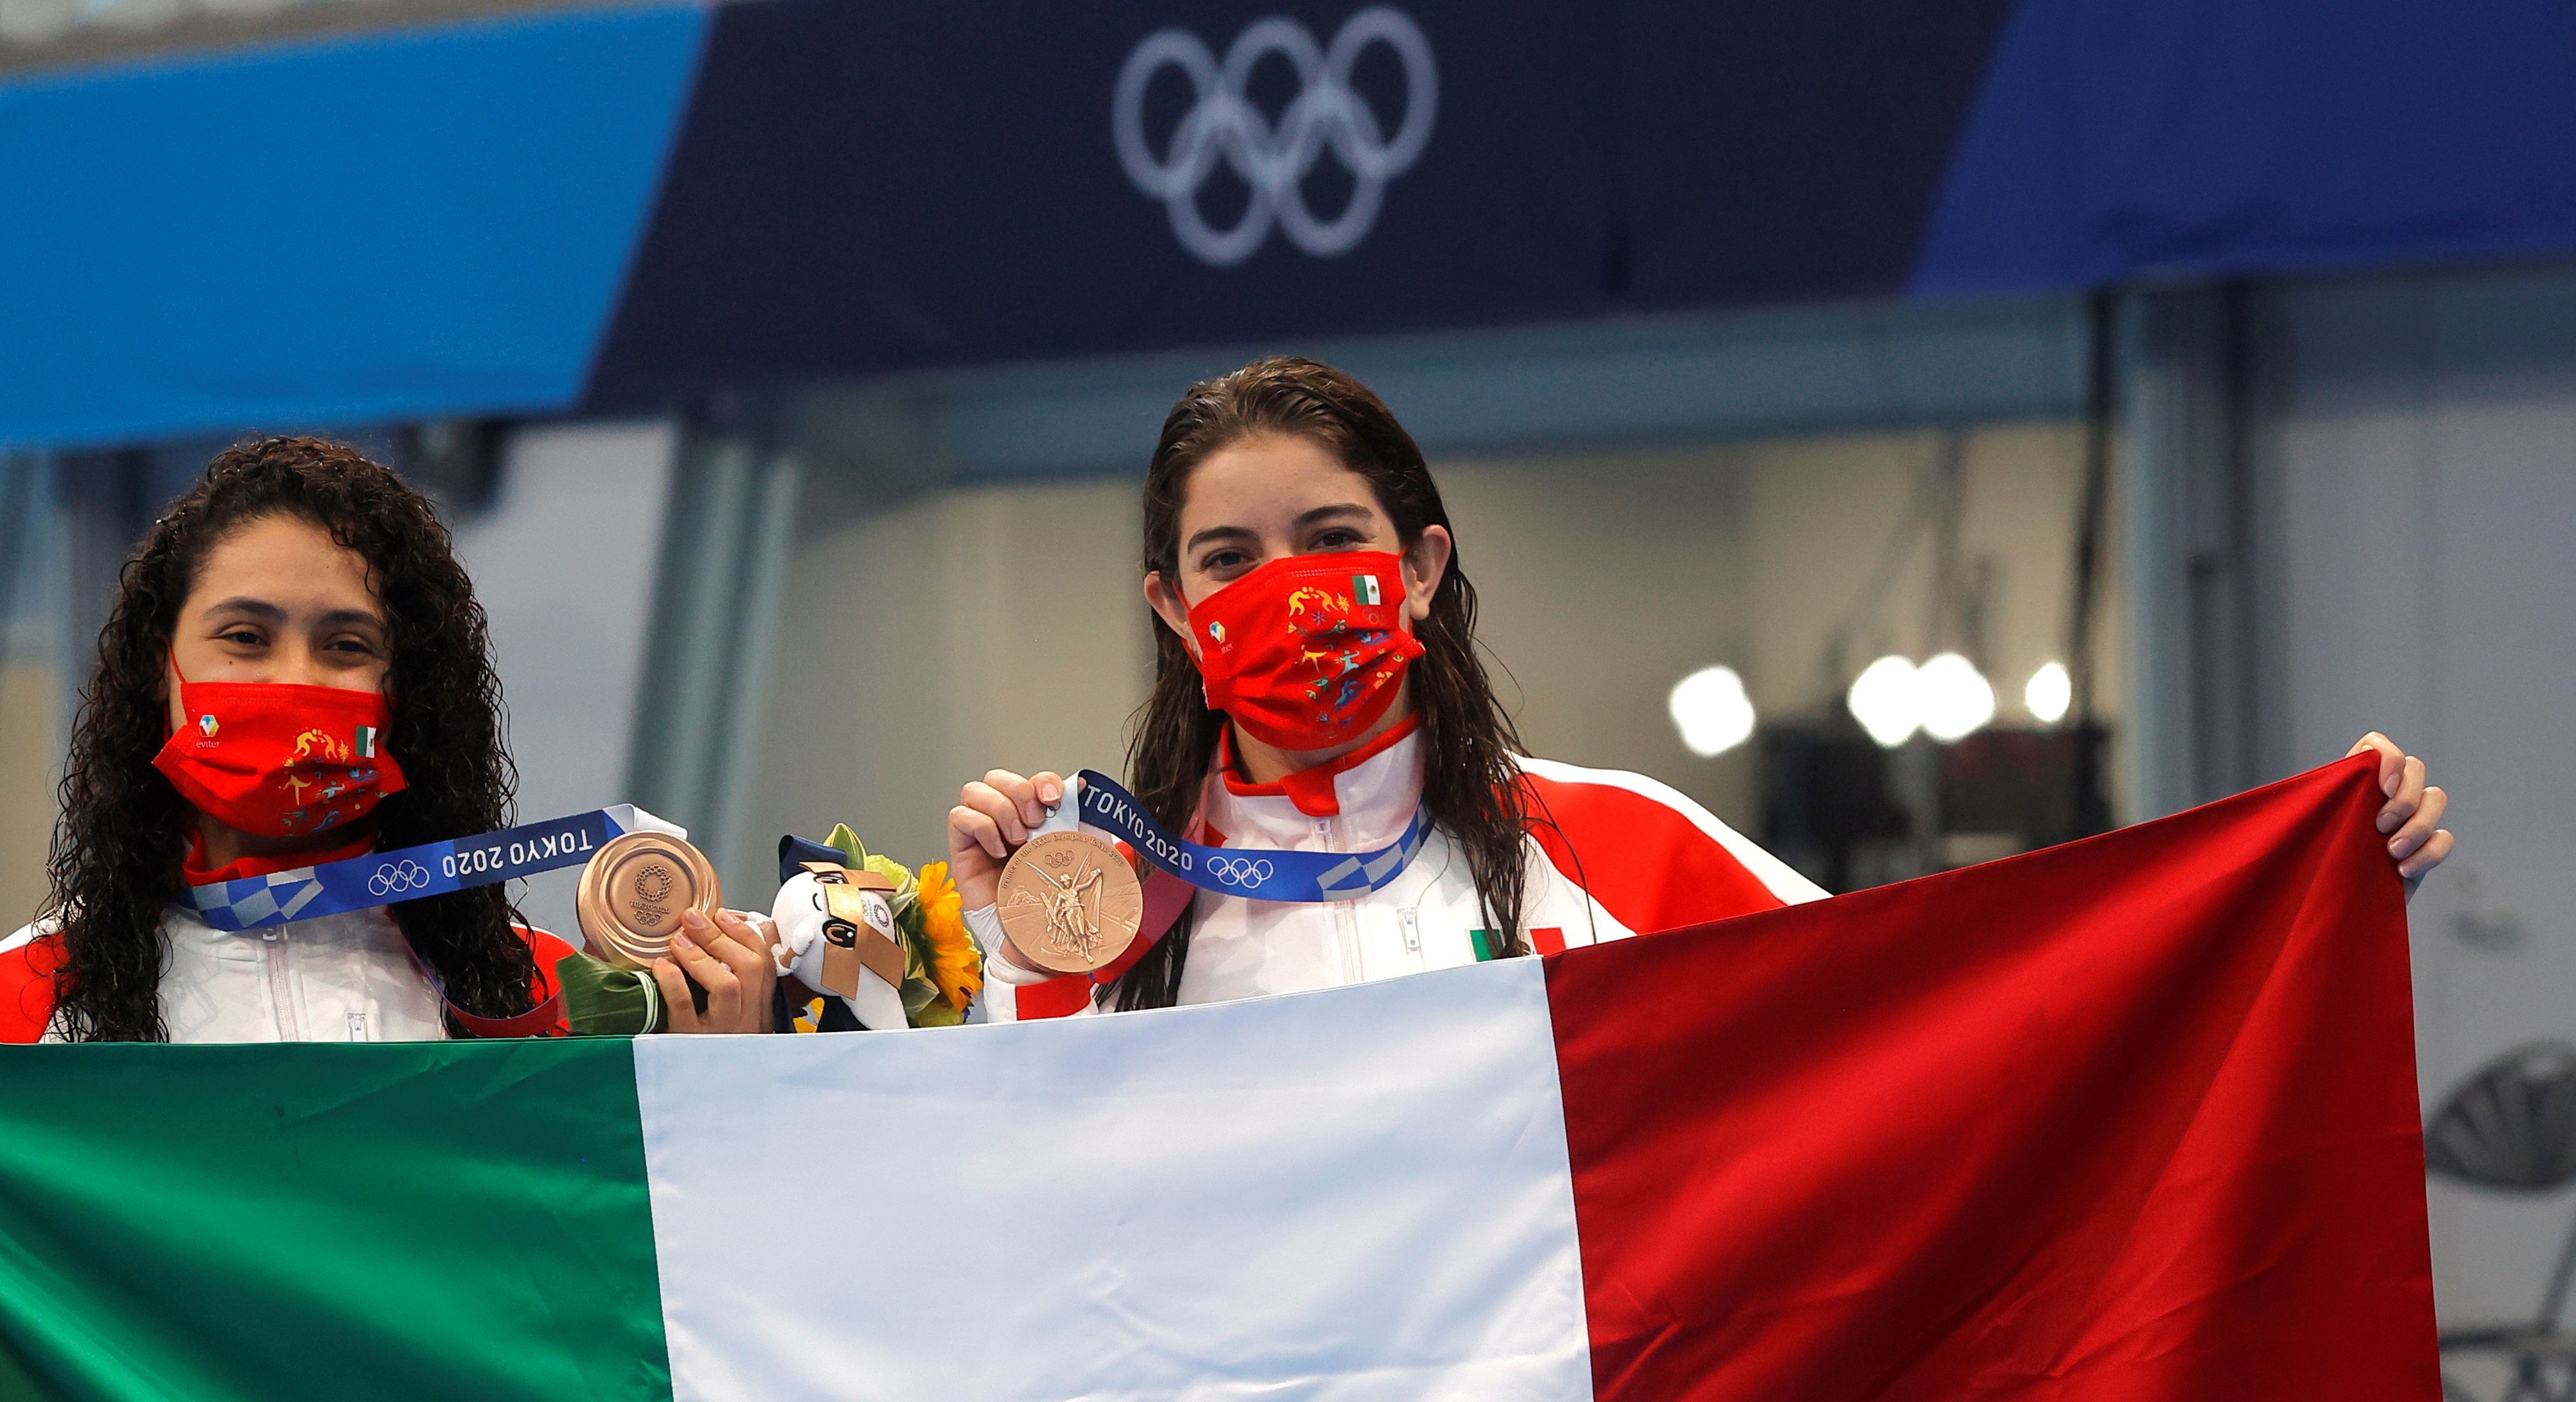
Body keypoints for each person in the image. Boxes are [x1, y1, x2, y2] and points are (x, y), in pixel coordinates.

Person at [948, 356, 2453, 1018]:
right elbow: (1010, 1203)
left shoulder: (1624, 847)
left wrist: (2288, 885)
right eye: (1229, 559)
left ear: (1416, 568)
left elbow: (1959, 1000)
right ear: (1172, 607)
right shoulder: (1102, 906)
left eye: (1331, 541)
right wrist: (1010, 949)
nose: (1283, 587)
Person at [0, 435, 776, 1399]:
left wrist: (719, 1108)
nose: (294, 680)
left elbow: (664, 1358)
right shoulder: (5, 1010)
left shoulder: (544, 997)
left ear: (406, 691)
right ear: (159, 668)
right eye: (245, 637)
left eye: (346, 645)